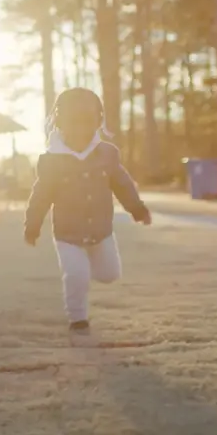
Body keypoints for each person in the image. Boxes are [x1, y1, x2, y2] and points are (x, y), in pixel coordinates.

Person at [23, 88, 152, 334]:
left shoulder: (107, 154)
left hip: (101, 230)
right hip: (67, 234)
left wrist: (137, 209)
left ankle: (89, 265)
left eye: (88, 122)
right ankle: (77, 318)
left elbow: (122, 184)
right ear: (60, 122)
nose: (81, 129)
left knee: (109, 274)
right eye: (74, 122)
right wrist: (32, 226)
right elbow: (40, 196)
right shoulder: (51, 161)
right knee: (76, 274)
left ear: (98, 121)